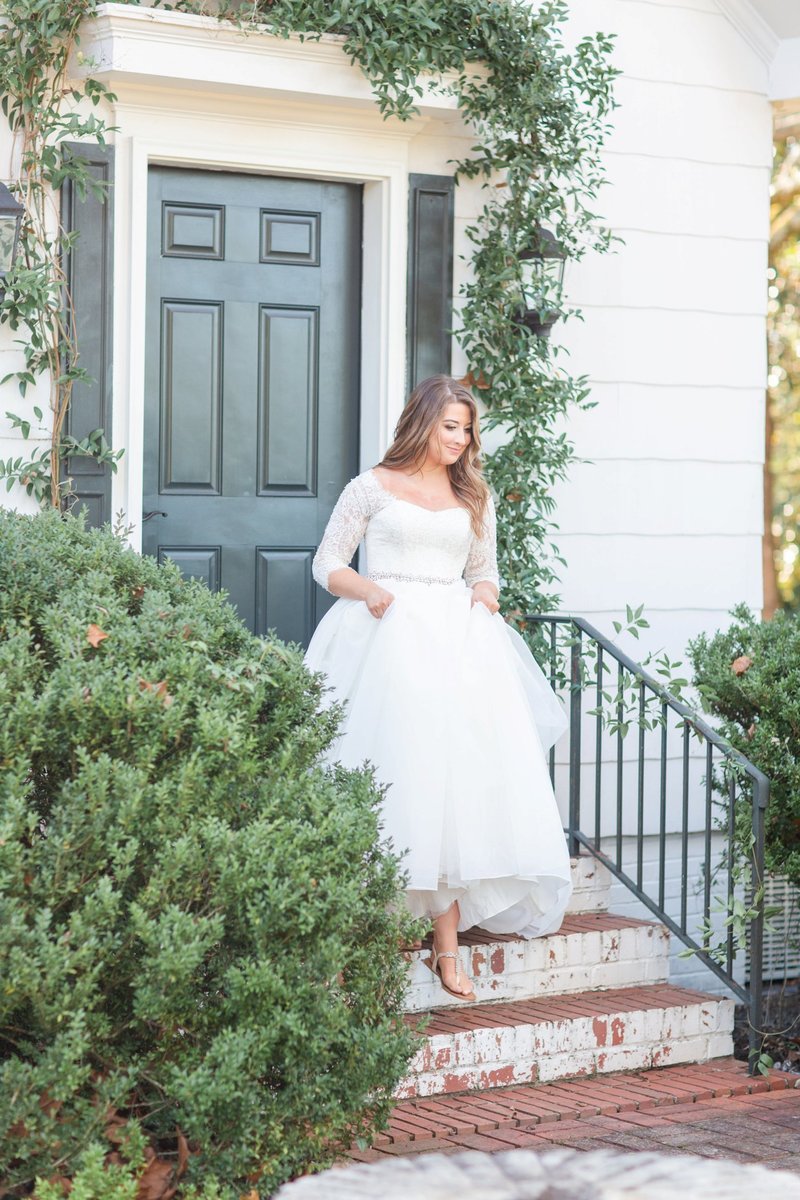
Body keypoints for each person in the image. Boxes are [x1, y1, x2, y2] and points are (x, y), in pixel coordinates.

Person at [305, 375, 572, 1001]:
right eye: (450, 426)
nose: (460, 439)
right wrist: (369, 589)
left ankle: (446, 951)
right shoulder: (371, 486)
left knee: (450, 791)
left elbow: (485, 574)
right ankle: (347, 941)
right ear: (423, 422)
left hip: (456, 649)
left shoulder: (472, 494)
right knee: (386, 779)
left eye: (468, 429)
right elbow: (327, 563)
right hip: (384, 642)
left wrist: (484, 599)